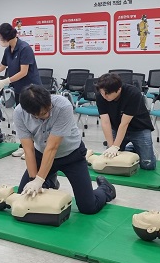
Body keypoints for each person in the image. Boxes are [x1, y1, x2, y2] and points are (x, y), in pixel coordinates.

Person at [13, 85, 116, 214]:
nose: (48, 114)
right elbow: (28, 150)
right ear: (31, 113)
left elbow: (52, 147)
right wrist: (33, 179)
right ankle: (50, 181)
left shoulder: (62, 106)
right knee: (24, 198)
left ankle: (106, 189)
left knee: (88, 207)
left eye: (48, 109)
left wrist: (39, 180)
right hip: (41, 154)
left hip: (71, 156)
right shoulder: (19, 113)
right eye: (44, 114)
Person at [95, 73, 157, 170]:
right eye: (102, 93)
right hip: (116, 127)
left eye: (107, 94)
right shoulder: (101, 94)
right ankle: (133, 148)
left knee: (147, 165)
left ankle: (144, 150)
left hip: (139, 128)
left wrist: (116, 147)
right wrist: (111, 146)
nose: (104, 96)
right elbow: (105, 122)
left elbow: (124, 123)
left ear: (119, 89)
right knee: (110, 161)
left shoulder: (133, 93)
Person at [0, 23, 41, 104]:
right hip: (19, 89)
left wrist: (6, 81)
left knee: (32, 114)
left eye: (1, 37)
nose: (0, 40)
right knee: (20, 112)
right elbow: (2, 66)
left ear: (8, 37)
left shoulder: (24, 48)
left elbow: (23, 72)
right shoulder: (8, 50)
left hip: (32, 90)